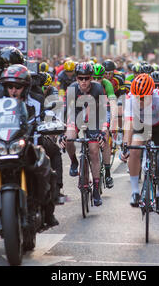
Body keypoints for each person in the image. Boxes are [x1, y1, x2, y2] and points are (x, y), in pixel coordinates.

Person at [0, 64, 59, 231]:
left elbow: (47, 116)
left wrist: (52, 124)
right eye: (10, 86)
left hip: (28, 145)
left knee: (45, 165)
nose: (13, 90)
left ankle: (48, 210)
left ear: (26, 87)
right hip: (1, 145)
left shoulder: (36, 101)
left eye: (18, 87)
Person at [120, 74, 159, 214]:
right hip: (141, 126)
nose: (140, 101)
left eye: (144, 97)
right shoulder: (130, 98)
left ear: (151, 93)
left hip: (158, 128)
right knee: (133, 151)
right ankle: (135, 192)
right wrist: (125, 146)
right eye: (138, 97)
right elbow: (129, 124)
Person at [59, 62, 107, 207]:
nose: (84, 81)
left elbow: (105, 113)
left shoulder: (98, 88)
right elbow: (65, 112)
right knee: (69, 138)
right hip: (76, 115)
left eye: (87, 78)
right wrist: (62, 132)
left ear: (91, 78)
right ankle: (74, 161)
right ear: (77, 78)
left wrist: (102, 132)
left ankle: (97, 189)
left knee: (93, 151)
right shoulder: (72, 89)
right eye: (80, 78)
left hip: (94, 117)